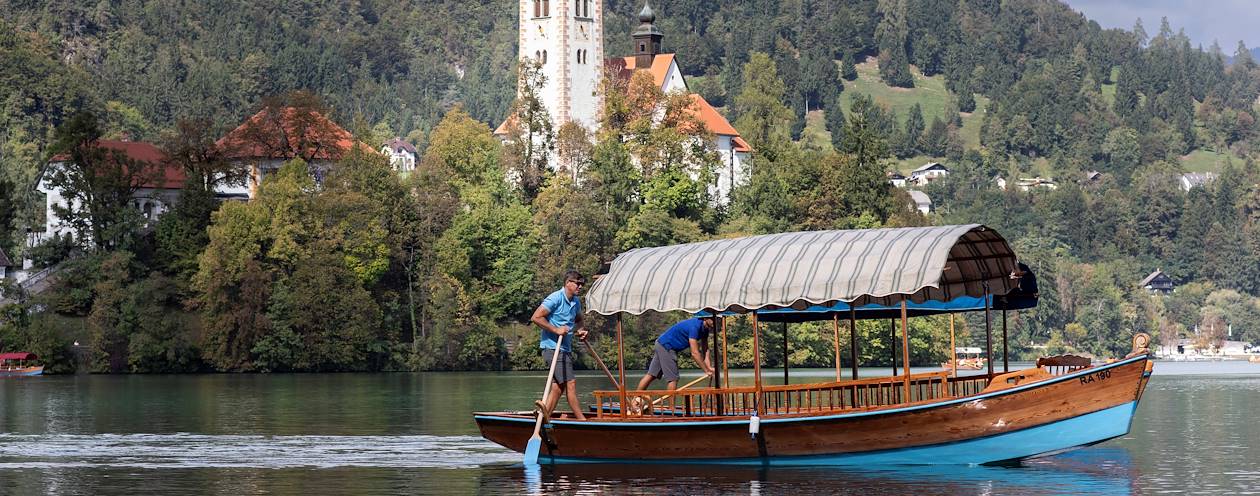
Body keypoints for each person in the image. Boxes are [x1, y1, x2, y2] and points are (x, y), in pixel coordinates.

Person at [531, 270, 589, 421]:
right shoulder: (555, 298)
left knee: (559, 386)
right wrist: (556, 329)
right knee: (570, 383)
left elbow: (578, 319)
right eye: (578, 283)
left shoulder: (575, 302)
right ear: (568, 283)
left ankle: (544, 417)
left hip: (565, 349)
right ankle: (582, 420)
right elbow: (536, 317)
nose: (580, 287)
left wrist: (581, 330)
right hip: (552, 348)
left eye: (582, 284)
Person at [636, 316, 716, 391]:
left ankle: (635, 402)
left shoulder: (705, 330)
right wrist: (706, 370)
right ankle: (671, 406)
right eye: (712, 319)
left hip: (661, 343)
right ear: (705, 318)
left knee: (652, 375)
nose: (715, 321)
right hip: (667, 346)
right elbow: (695, 353)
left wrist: (709, 367)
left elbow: (705, 349)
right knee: (673, 379)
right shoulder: (695, 327)